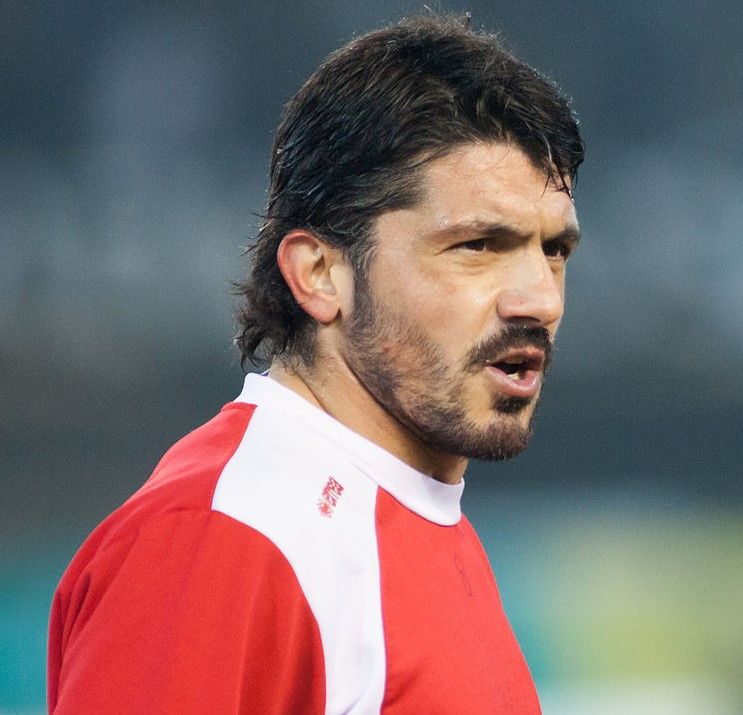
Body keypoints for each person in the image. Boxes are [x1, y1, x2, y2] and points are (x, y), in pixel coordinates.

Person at [48, 14, 583, 714]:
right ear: (320, 274)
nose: (540, 299)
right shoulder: (223, 537)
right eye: (477, 246)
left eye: (554, 250)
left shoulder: (415, 512)